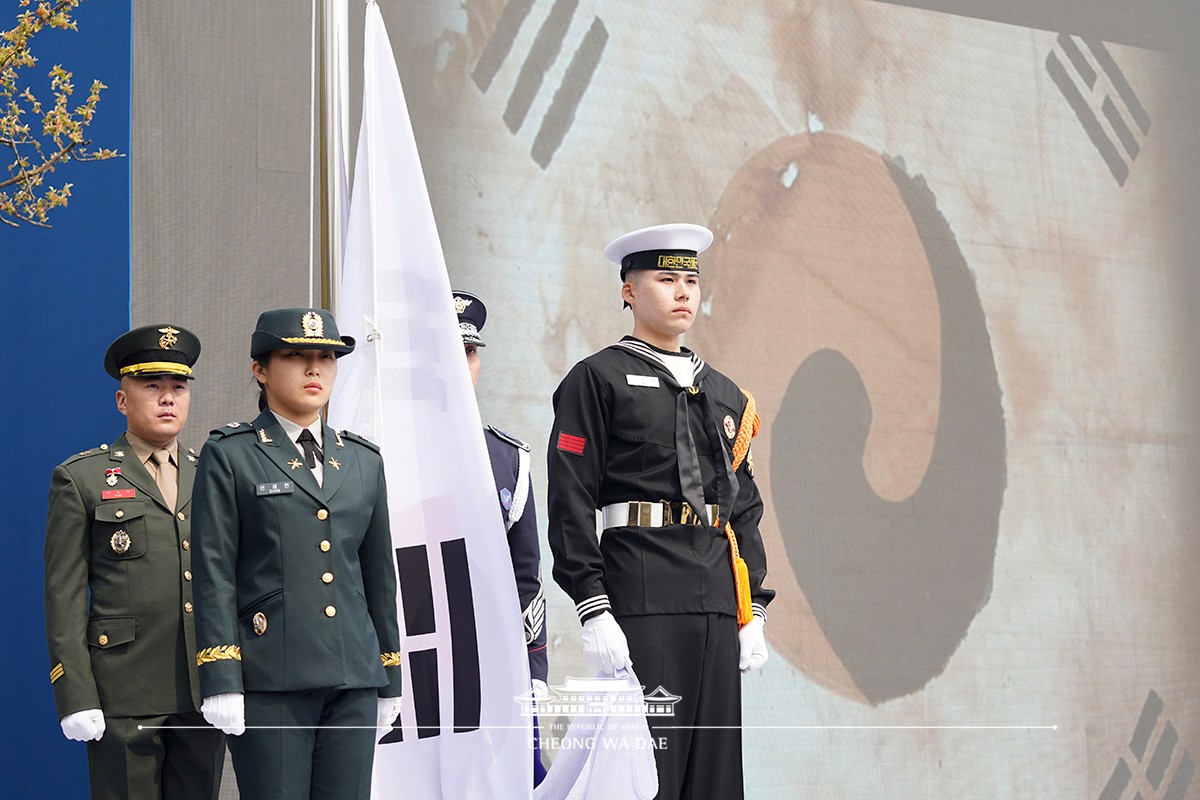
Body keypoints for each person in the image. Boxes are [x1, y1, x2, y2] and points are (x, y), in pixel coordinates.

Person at [546, 223, 774, 799]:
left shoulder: (724, 394)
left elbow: (742, 508)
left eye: (691, 281)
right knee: (647, 777)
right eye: (666, 278)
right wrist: (592, 607)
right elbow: (569, 496)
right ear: (628, 290)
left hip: (717, 600)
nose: (682, 293)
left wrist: (756, 611)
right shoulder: (598, 378)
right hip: (641, 597)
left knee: (716, 779)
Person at [190, 307, 402, 800]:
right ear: (259, 369)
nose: (314, 369)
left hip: (354, 676)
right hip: (271, 675)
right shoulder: (231, 453)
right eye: (296, 356)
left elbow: (378, 575)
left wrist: (389, 673)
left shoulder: (362, 459)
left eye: (327, 357)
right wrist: (220, 673)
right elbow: (213, 570)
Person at [44, 324, 225, 800]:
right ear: (122, 401)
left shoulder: (213, 473)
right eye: (152, 387)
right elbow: (63, 596)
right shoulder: (81, 477)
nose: (168, 399)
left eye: (178, 388)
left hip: (202, 685)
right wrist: (76, 694)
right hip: (122, 690)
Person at [454, 290, 549, 785]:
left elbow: (526, 578)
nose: (462, 364)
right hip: (413, 668)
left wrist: (534, 675)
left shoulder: (509, 459)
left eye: (470, 353)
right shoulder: (375, 453)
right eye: (450, 351)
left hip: (493, 667)